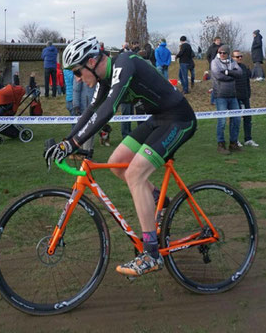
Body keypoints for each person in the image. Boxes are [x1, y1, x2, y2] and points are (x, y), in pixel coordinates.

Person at [45, 36, 197, 277]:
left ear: (92, 62)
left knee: (135, 174)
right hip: (158, 119)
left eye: (77, 71)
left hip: (179, 119)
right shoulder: (104, 78)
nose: (77, 78)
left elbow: (108, 109)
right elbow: (91, 111)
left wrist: (74, 143)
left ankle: (151, 253)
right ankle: (157, 199)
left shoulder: (124, 63)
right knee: (117, 163)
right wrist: (67, 141)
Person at [211, 45, 242, 155]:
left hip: (233, 95)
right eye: (220, 52)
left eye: (224, 53)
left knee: (237, 119)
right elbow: (219, 76)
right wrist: (232, 75)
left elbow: (240, 73)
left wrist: (228, 72)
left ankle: (233, 143)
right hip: (220, 95)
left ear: (228, 53)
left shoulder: (233, 62)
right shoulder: (214, 62)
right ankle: (221, 144)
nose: (222, 54)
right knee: (222, 121)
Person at [232, 50, 259, 147]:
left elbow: (247, 81)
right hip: (235, 97)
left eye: (241, 56)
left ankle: (248, 139)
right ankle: (235, 140)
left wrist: (248, 93)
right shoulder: (230, 68)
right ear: (232, 58)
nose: (240, 58)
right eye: (237, 56)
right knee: (236, 119)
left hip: (245, 96)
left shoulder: (244, 67)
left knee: (248, 118)